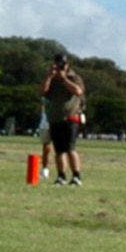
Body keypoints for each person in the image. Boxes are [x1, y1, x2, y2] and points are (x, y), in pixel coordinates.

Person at [41, 55, 86, 186]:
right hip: (55, 118)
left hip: (71, 118)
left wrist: (64, 79)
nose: (60, 67)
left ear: (67, 65)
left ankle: (76, 176)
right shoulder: (52, 79)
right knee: (59, 150)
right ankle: (61, 176)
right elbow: (42, 91)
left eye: (63, 65)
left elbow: (78, 91)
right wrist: (49, 76)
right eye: (58, 64)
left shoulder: (74, 77)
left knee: (70, 148)